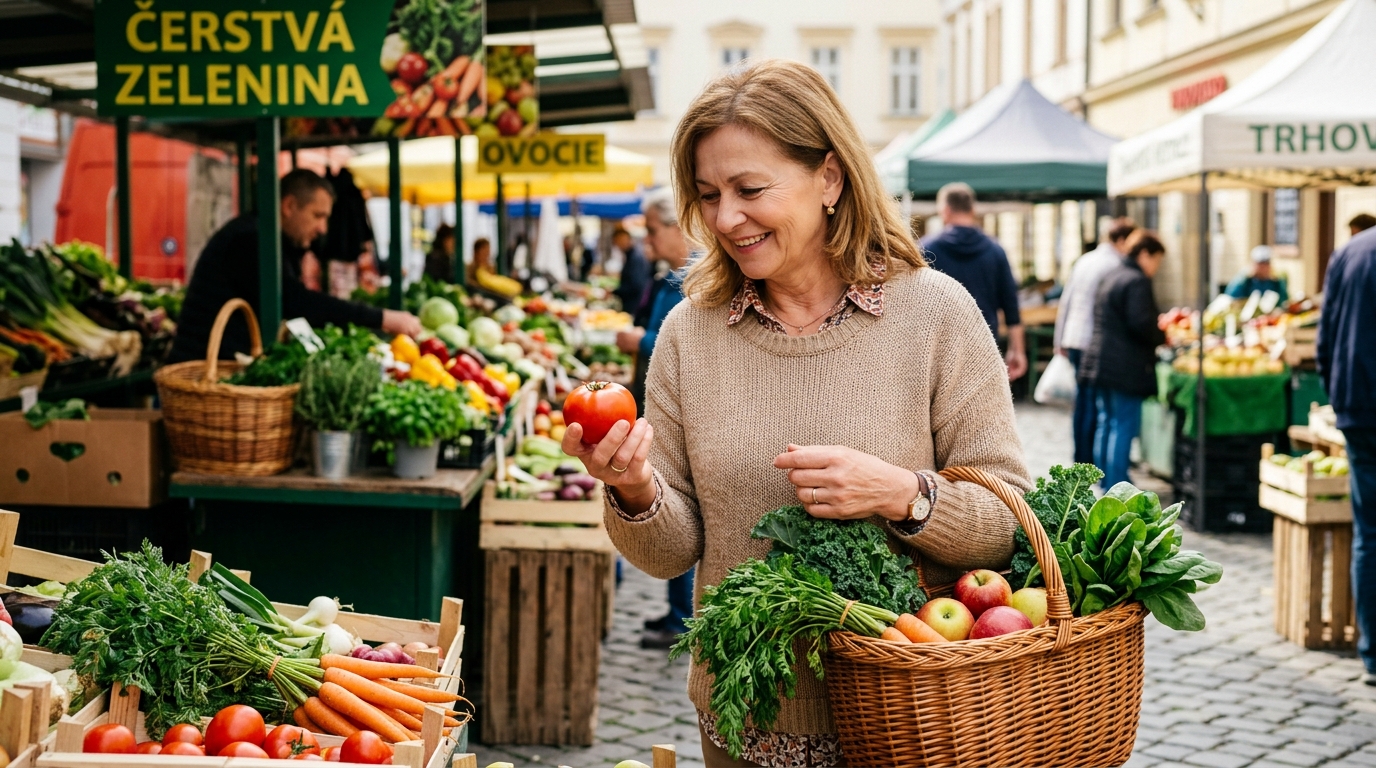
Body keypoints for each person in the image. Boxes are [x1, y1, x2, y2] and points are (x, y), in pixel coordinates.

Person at [558, 58, 1031, 768]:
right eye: (710, 194)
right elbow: (672, 552)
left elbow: (1009, 517)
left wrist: (903, 494)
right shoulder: (690, 334)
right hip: (743, 721)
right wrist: (633, 490)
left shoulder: (936, 314)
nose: (725, 218)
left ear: (830, 179)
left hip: (905, 722)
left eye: (750, 189)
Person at [171, 170, 421, 363]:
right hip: (203, 373)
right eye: (317, 216)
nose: (323, 229)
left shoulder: (268, 238)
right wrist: (381, 318)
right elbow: (294, 300)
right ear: (289, 206)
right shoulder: (250, 240)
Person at [613, 187, 694, 650]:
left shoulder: (693, 278)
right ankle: (676, 609)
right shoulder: (673, 275)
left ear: (676, 226)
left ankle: (682, 615)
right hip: (660, 400)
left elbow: (672, 345)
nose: (647, 239)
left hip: (675, 408)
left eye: (652, 229)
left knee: (674, 497)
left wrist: (639, 342)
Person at [1316, 224, 1376, 685]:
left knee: (1369, 532)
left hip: (1359, 408)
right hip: (1357, 405)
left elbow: (1326, 335)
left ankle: (1373, 653)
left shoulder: (1350, 251)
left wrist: (1338, 394)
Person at [1079, 232, 1168, 489]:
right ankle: (1117, 483)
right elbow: (1140, 322)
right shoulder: (1136, 280)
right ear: (1144, 254)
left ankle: (1104, 480)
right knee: (1122, 424)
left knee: (1107, 421)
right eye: (1156, 261)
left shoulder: (1111, 275)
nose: (1156, 268)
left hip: (1101, 361)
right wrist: (1160, 335)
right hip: (1124, 365)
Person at [922, 182, 1028, 380]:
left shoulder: (927, 249)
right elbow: (1011, 305)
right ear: (972, 210)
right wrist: (1018, 350)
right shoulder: (995, 250)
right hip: (984, 343)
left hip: (939, 347)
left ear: (944, 210)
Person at [1053, 218, 1137, 465]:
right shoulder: (1115, 265)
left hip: (1074, 337)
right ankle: (1089, 462)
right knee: (1096, 405)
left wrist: (1061, 339)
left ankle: (1081, 457)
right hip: (1095, 340)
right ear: (1121, 240)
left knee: (1082, 404)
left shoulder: (1085, 259)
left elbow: (1066, 300)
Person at [612, 227, 654, 318]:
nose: (619, 244)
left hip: (633, 306)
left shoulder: (635, 257)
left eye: (621, 240)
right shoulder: (630, 256)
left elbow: (636, 284)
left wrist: (615, 291)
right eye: (617, 241)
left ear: (629, 239)